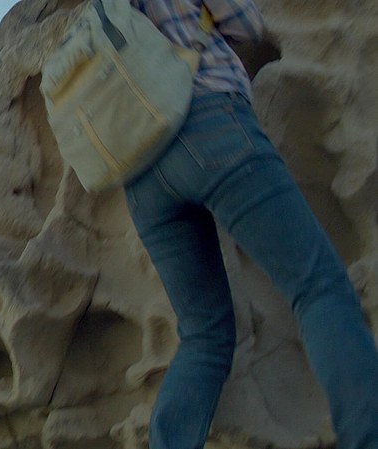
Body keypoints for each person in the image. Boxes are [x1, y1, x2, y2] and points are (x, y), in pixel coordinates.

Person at [123, 0, 378, 447]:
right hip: (206, 120)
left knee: (203, 336)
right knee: (317, 285)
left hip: (139, 171)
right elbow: (246, 23)